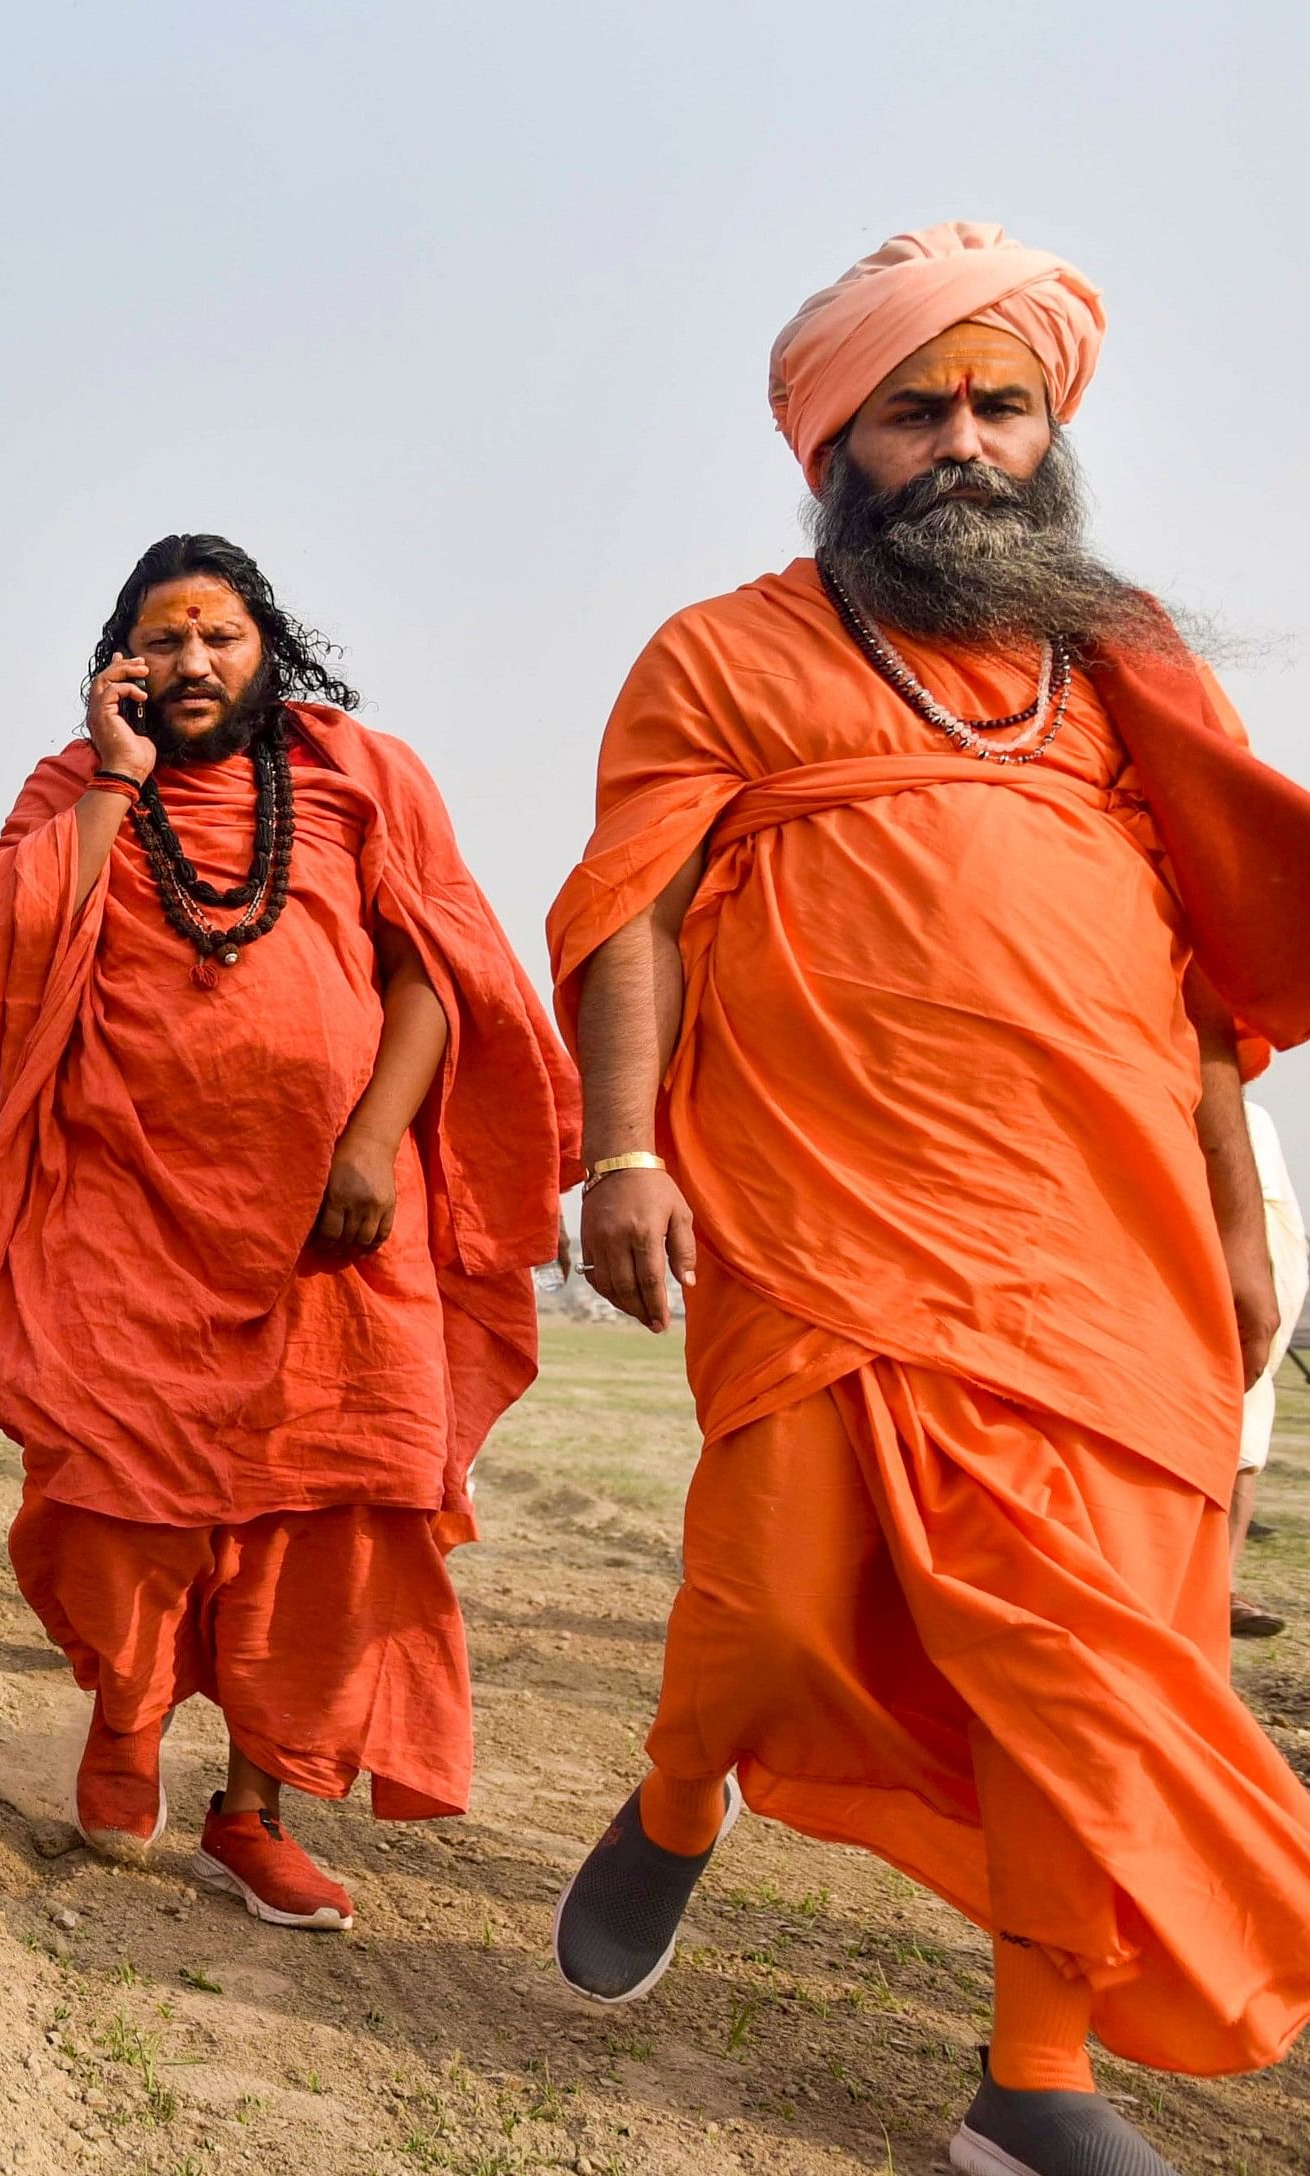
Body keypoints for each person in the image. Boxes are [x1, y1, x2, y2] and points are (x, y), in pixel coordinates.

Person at [545, 225, 1310, 2174]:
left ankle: (1029, 2077)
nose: (958, 439)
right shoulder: (720, 651)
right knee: (772, 1598)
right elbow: (625, 907)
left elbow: (1201, 975)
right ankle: (672, 1787)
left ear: (1049, 426)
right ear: (831, 444)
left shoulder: (1114, 666)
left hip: (1102, 1241)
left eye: (998, 401)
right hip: (813, 1214)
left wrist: (1233, 1231)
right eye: (913, 408)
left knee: (1081, 1657)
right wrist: (615, 1149)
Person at [0, 534, 571, 1935]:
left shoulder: (358, 774)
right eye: (159, 642)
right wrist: (113, 779)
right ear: (119, 664)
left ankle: (255, 1808)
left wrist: (368, 1147)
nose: (189, 665)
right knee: (116, 1492)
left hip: (333, 1227)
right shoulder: (74, 786)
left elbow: (437, 977)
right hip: (128, 1211)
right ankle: (125, 1721)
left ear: (264, 646)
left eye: (216, 635)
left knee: (321, 1513)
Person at [1233, 1105, 1301, 1640]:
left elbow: (1276, 1227)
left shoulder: (1252, 1119)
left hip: (1248, 1301)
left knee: (1243, 1452)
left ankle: (1223, 1586)